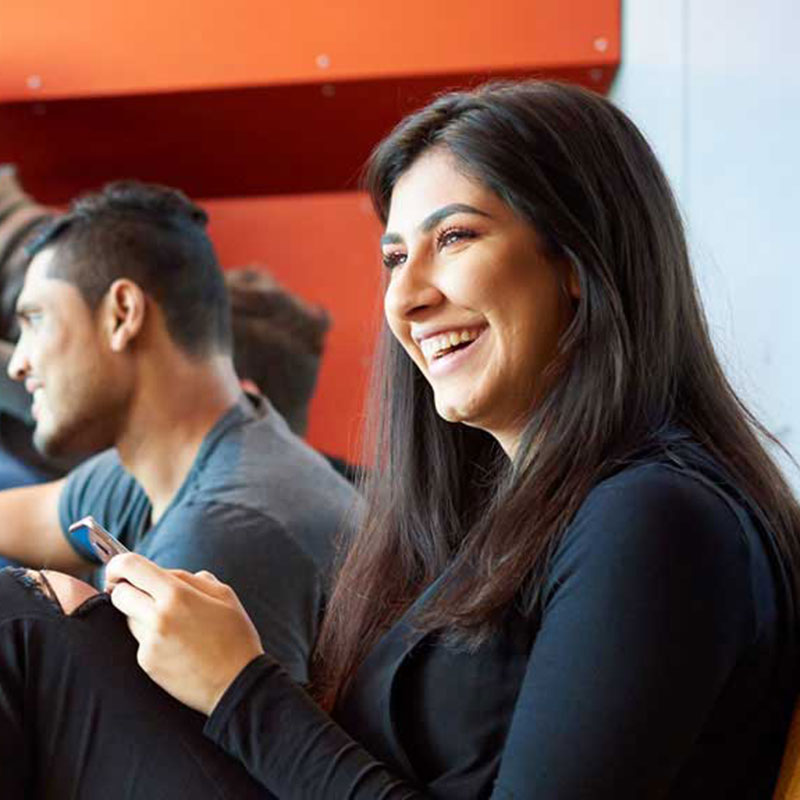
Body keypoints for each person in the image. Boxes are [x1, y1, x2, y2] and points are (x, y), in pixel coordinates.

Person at [2, 80, 799, 798]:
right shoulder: (509, 516)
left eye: (454, 238)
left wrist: (240, 686)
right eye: (394, 256)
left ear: (579, 262)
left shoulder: (653, 518)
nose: (407, 297)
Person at [0, 180, 357, 684]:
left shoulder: (219, 539)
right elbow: (28, 518)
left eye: (36, 320)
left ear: (123, 313)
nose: (18, 363)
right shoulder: (200, 450)